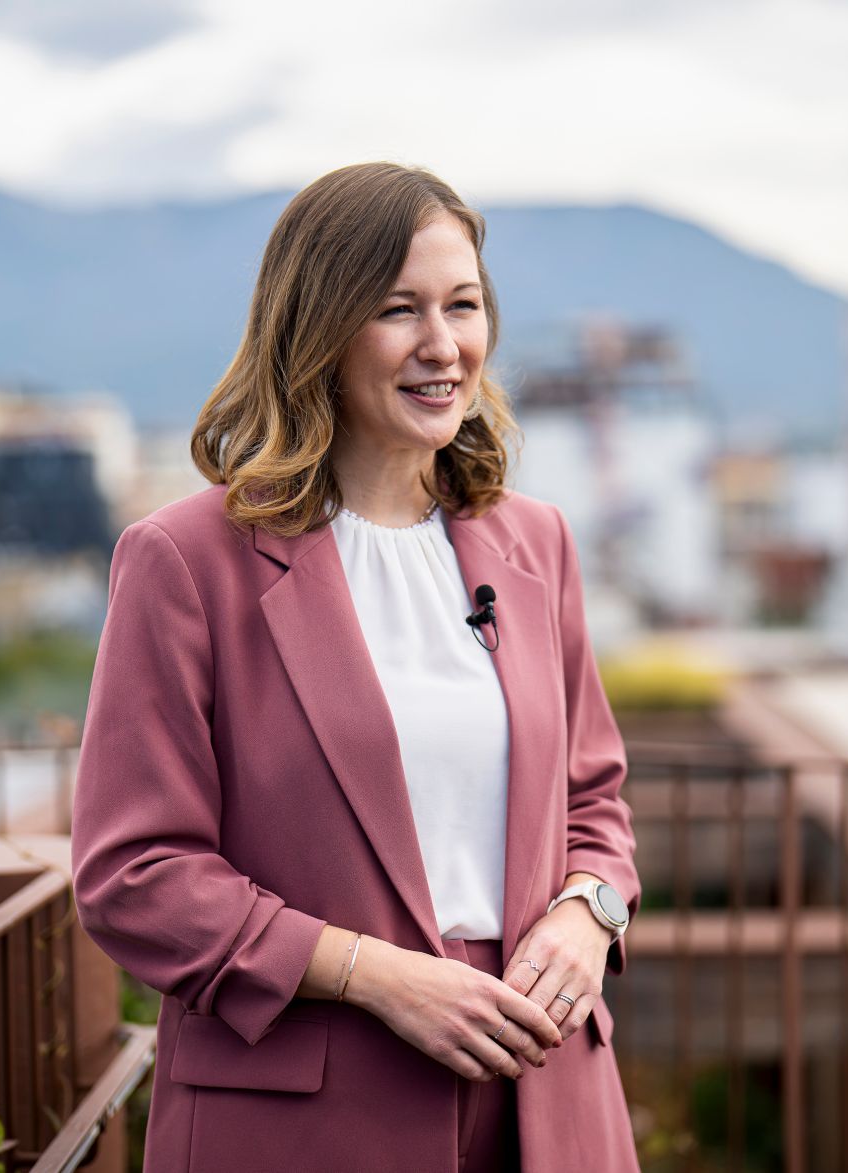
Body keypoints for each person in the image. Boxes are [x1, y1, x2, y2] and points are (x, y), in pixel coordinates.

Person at [71, 162, 640, 1172]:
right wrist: (378, 976)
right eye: (397, 310)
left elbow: (592, 797)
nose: (442, 345)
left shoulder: (536, 543)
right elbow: (134, 877)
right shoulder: (183, 562)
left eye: (462, 305)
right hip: (306, 1112)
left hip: (545, 1100)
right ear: (319, 332)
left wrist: (586, 912)